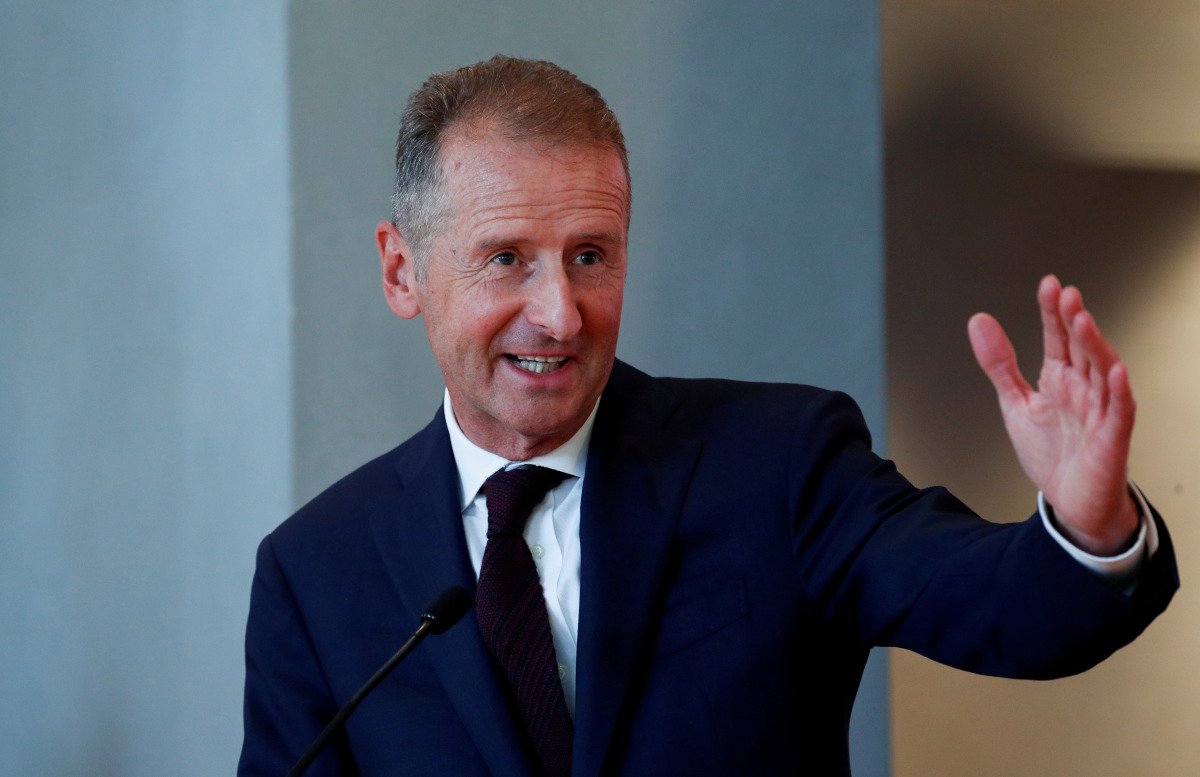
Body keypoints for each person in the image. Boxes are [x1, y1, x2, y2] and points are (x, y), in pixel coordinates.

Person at [238, 56, 1177, 777]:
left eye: (592, 256)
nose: (561, 314)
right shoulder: (317, 572)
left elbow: (999, 606)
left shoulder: (780, 465)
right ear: (404, 270)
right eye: (507, 258)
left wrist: (1086, 527)